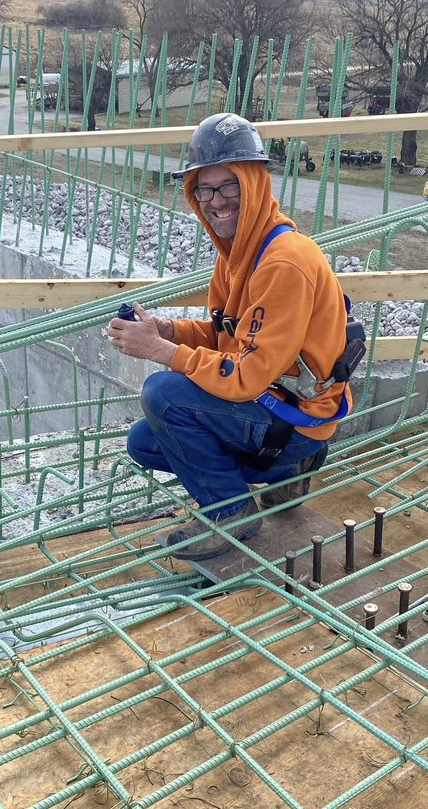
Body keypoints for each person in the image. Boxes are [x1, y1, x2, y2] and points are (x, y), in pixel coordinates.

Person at [107, 112, 353, 561]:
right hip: (273, 405)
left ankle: (232, 512)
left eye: (229, 186)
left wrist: (162, 351)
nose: (216, 201)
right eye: (205, 188)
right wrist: (171, 330)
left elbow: (245, 377)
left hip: (294, 417)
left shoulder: (283, 262)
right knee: (144, 441)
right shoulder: (241, 250)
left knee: (163, 393)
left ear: (254, 184)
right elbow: (231, 337)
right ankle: (285, 476)